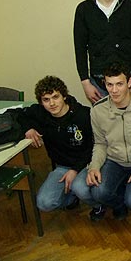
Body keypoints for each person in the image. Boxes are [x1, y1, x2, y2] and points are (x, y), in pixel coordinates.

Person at [72, 62, 131, 221]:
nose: (114, 90)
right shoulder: (97, 110)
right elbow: (100, 143)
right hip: (114, 161)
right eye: (109, 85)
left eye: (119, 84)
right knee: (98, 192)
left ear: (130, 82)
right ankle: (119, 205)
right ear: (104, 84)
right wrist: (94, 167)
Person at [19, 76, 92, 212]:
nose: (52, 103)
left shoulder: (84, 115)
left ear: (64, 96)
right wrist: (28, 129)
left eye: (55, 97)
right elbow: (19, 115)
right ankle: (72, 197)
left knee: (81, 188)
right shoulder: (41, 113)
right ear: (41, 102)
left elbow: (92, 147)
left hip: (86, 164)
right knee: (44, 203)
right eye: (46, 100)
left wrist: (75, 170)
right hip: (62, 166)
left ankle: (97, 205)